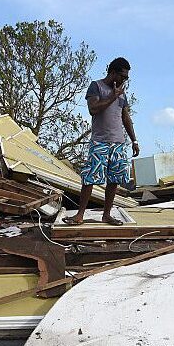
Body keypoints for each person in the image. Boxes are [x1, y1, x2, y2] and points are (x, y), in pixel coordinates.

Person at [63, 57, 139, 226]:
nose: (124, 80)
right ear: (113, 72)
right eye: (122, 76)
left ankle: (107, 215)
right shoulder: (96, 86)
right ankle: (79, 215)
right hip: (100, 142)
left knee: (114, 180)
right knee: (90, 178)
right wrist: (112, 96)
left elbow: (125, 117)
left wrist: (134, 140)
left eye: (126, 78)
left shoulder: (122, 93)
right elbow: (93, 109)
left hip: (118, 143)